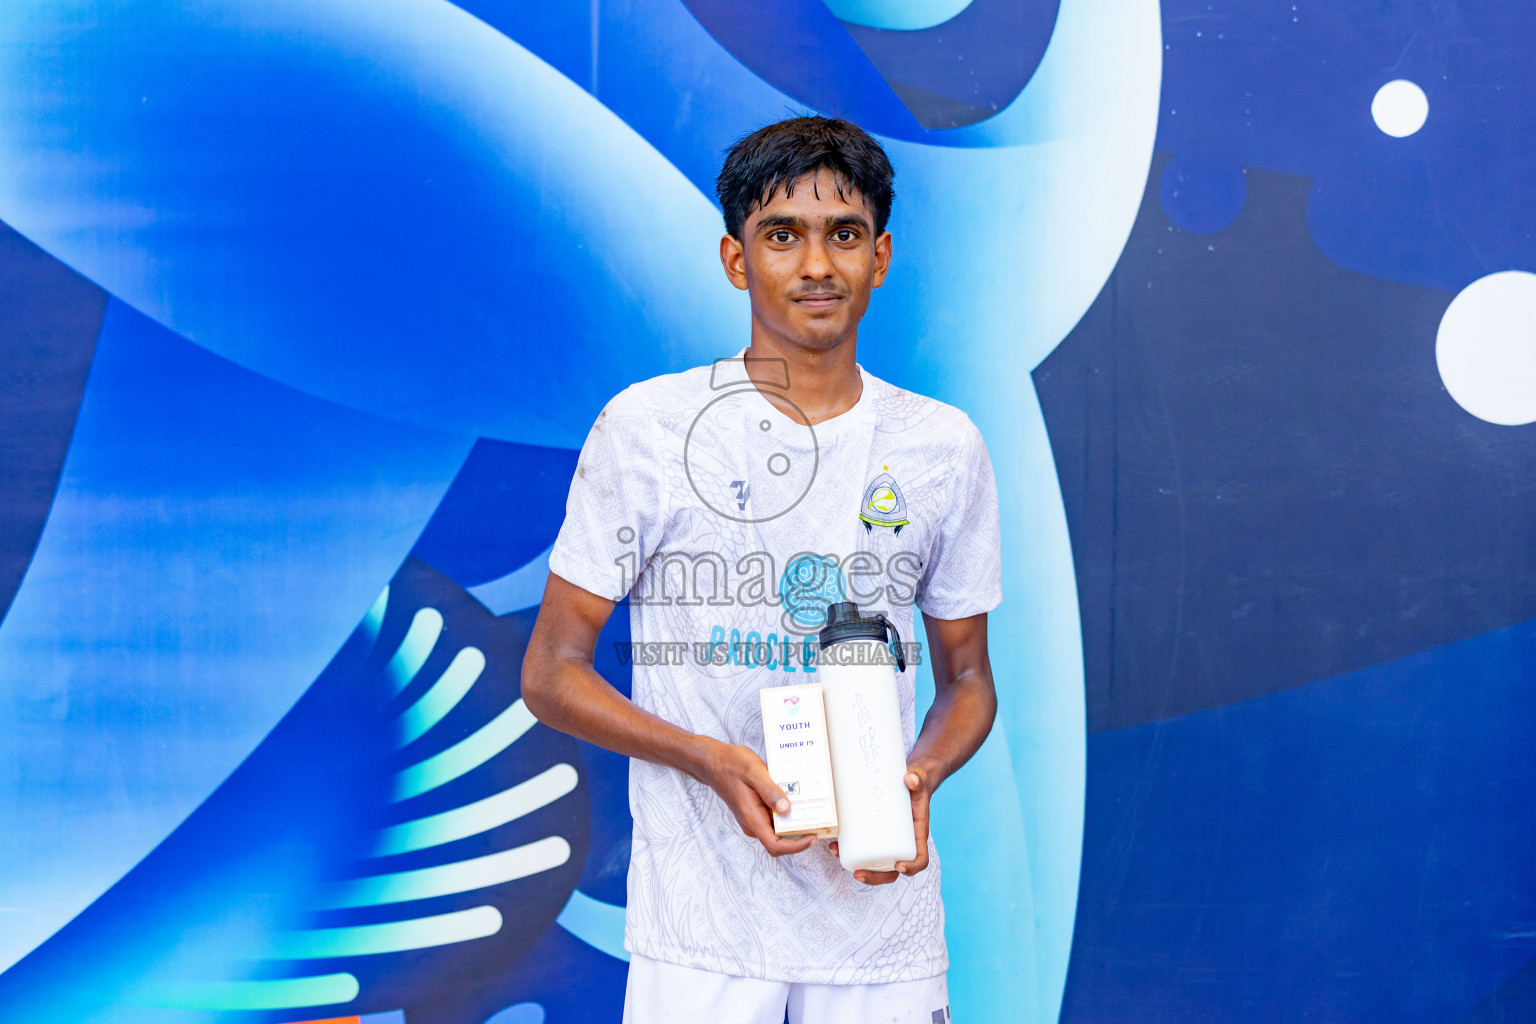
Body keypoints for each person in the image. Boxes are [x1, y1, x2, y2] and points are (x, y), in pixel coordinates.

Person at [522, 116, 1000, 1024]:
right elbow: (551, 672)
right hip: (701, 925)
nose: (816, 265)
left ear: (881, 256)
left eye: (843, 234)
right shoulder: (650, 430)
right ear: (737, 260)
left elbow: (969, 679)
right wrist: (706, 759)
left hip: (879, 920)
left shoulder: (942, 446)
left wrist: (919, 778)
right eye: (782, 235)